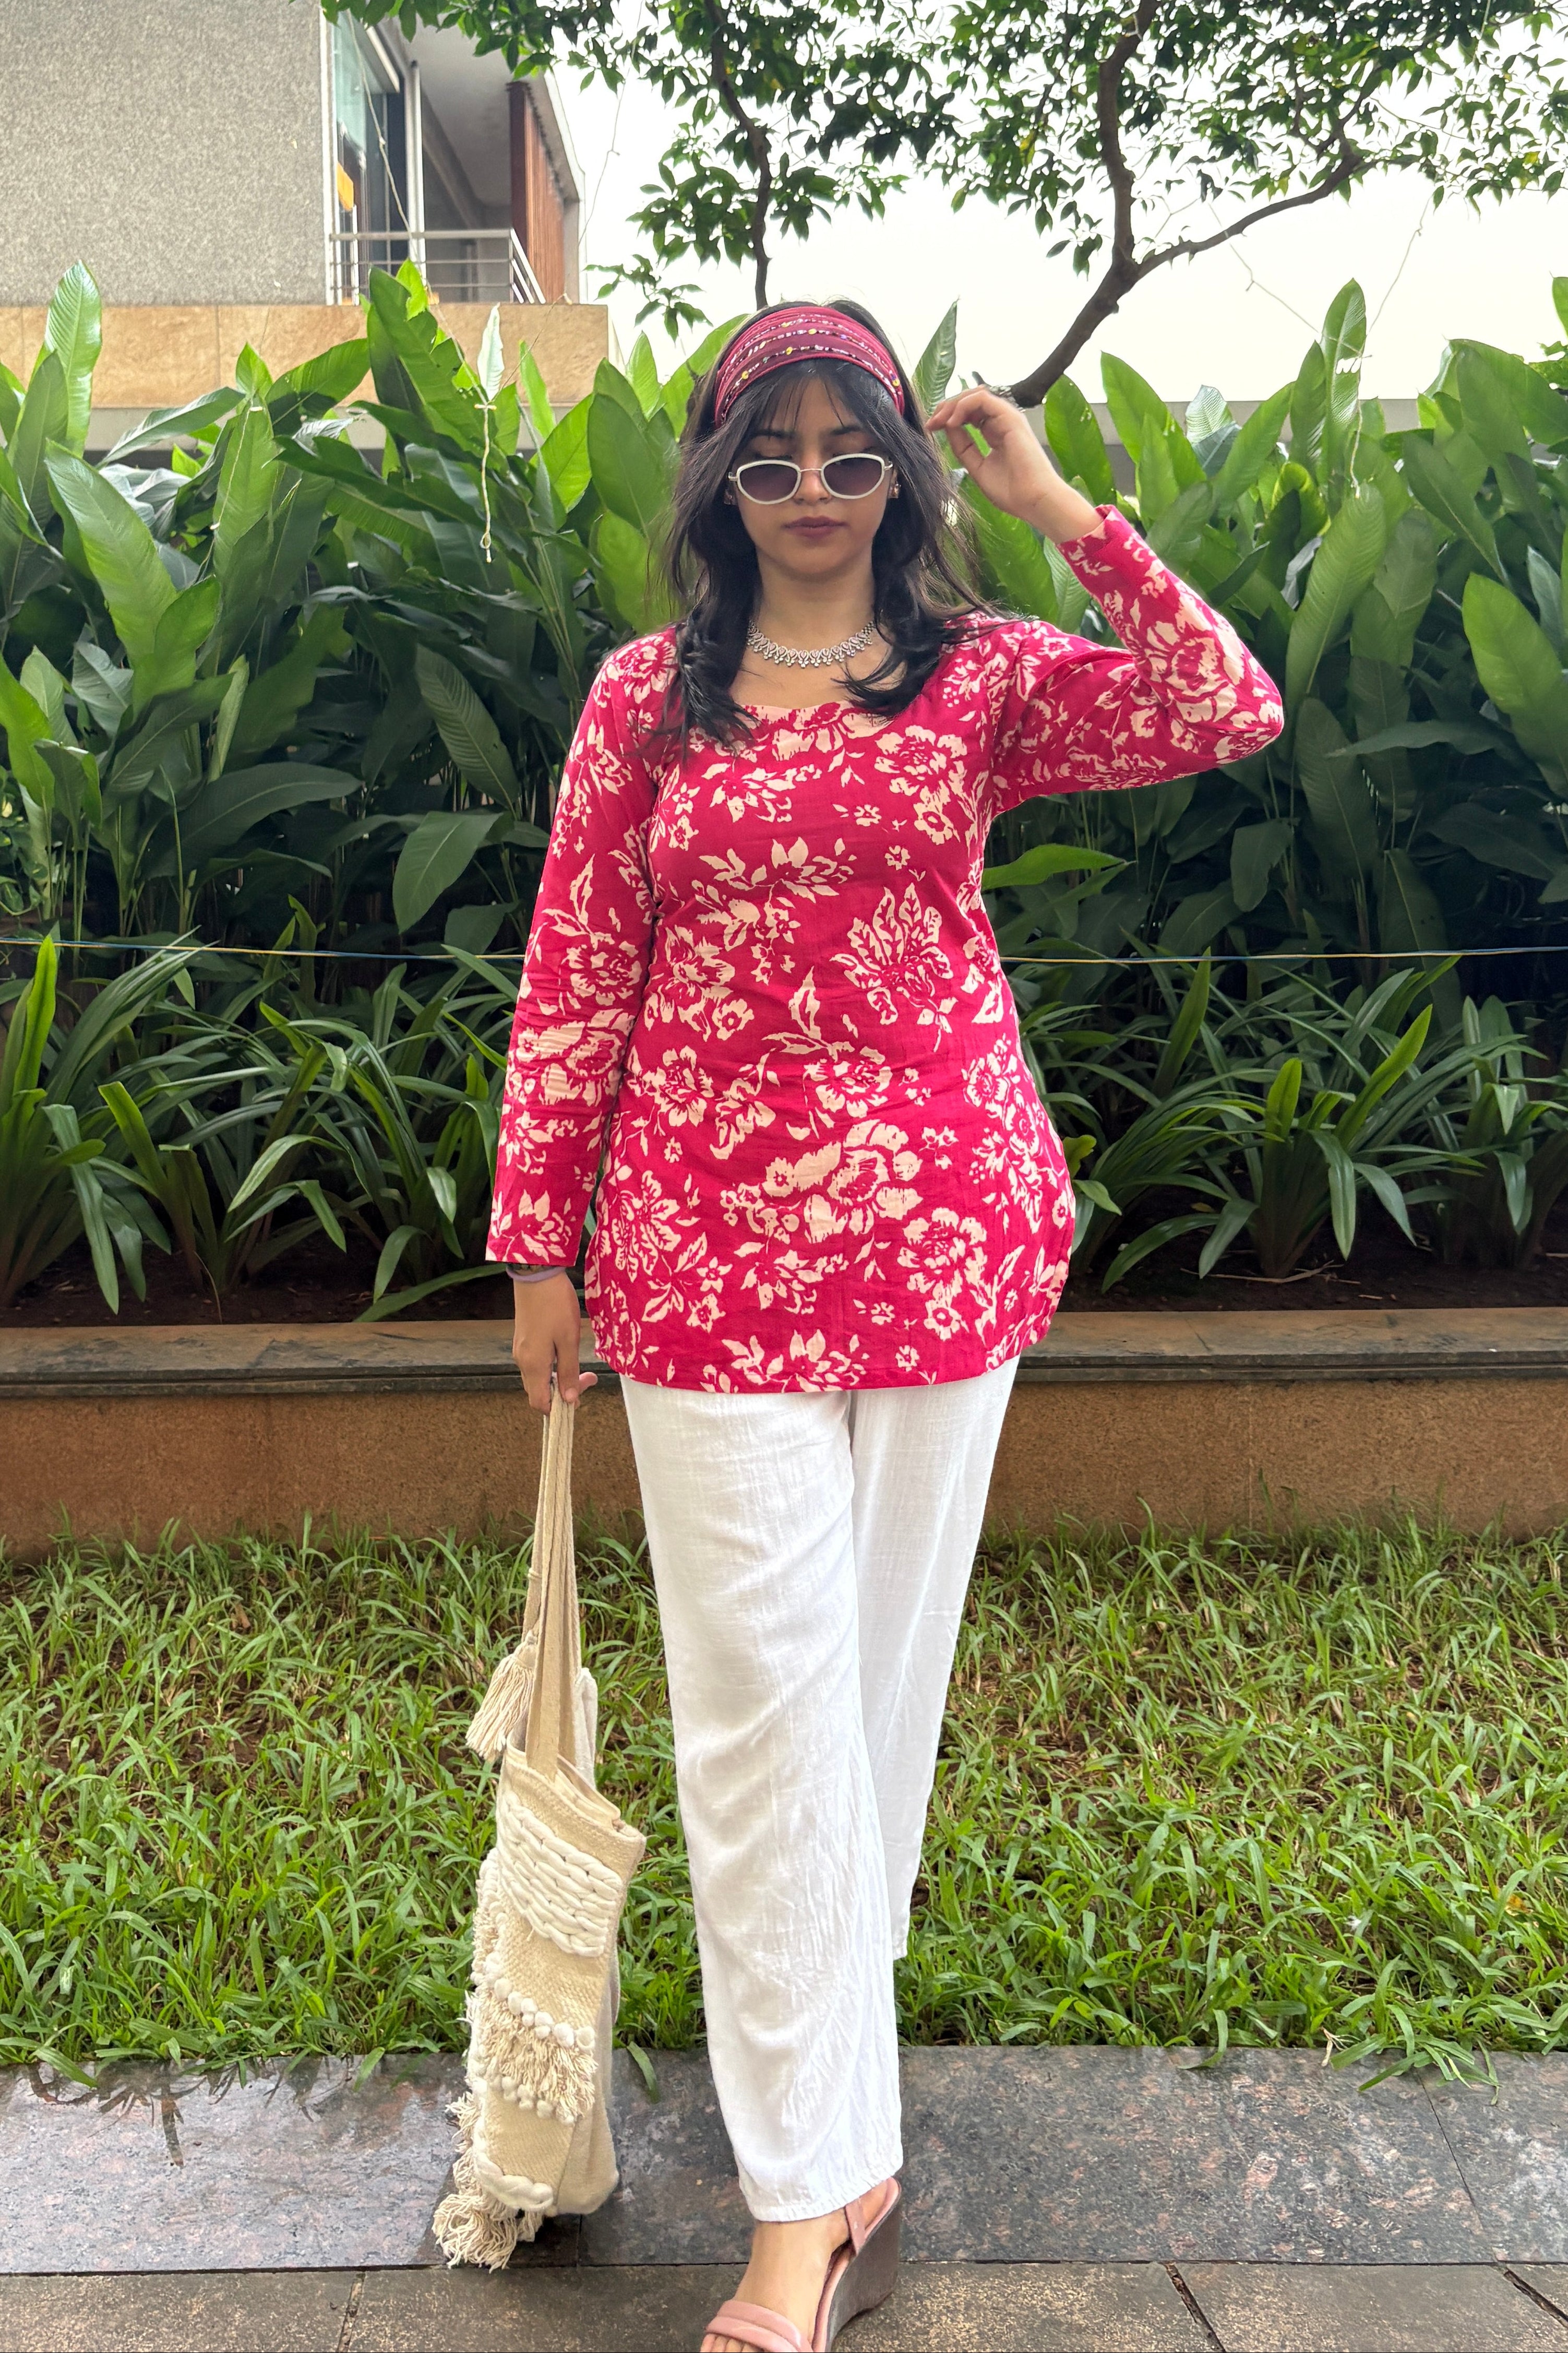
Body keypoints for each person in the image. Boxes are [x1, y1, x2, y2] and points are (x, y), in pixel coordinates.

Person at [488, 301, 1283, 2353]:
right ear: (719, 483)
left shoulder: (976, 679)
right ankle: (790, 2209)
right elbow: (576, 967)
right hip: (697, 1265)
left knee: (867, 1710)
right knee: (758, 1728)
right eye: (775, 454)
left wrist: (1057, 508)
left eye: (855, 452)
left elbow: (1221, 704)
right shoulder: (640, 703)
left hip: (944, 1249)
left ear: (900, 482)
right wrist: (536, 1245)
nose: (817, 488)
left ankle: (846, 2146)